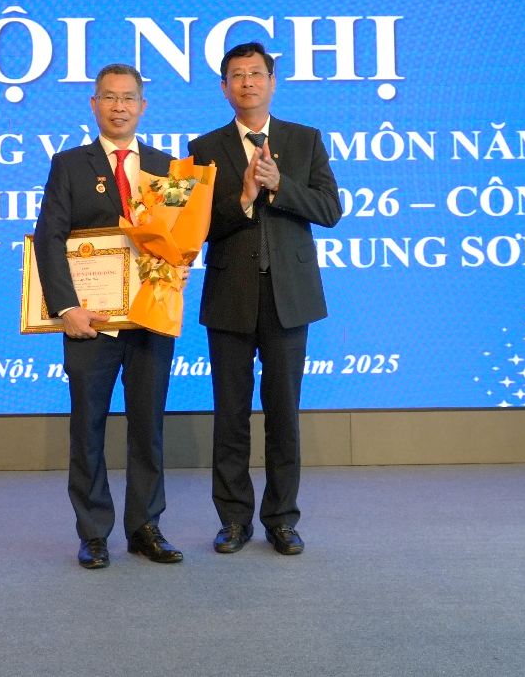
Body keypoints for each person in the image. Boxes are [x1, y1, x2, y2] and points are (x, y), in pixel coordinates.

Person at [188, 41, 342, 556]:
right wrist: (244, 198)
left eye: (256, 73)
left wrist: (280, 185)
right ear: (224, 87)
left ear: (272, 82)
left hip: (289, 299)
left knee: (283, 415)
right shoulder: (204, 148)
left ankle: (281, 519)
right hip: (230, 296)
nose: (247, 82)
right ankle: (234, 520)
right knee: (230, 415)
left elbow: (330, 209)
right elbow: (197, 228)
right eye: (237, 75)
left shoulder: (304, 140)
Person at [33, 64, 183, 569]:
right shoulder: (69, 165)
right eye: (110, 97)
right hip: (89, 322)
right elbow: (49, 238)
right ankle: (93, 532)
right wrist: (66, 308)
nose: (119, 107)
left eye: (128, 98)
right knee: (88, 428)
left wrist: (180, 265)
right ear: (94, 104)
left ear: (143, 106)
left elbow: (178, 238)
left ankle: (145, 528)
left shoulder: (166, 167)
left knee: (149, 427)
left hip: (149, 319)